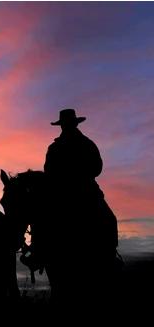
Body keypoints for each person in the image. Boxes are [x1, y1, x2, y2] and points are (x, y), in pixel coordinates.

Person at [42, 108, 119, 307]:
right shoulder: (68, 146)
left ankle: (110, 257)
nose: (67, 126)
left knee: (109, 219)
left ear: (71, 124)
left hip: (77, 193)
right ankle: (38, 253)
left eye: (68, 124)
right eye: (66, 124)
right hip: (76, 193)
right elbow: (97, 168)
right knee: (108, 219)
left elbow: (95, 168)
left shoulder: (75, 145)